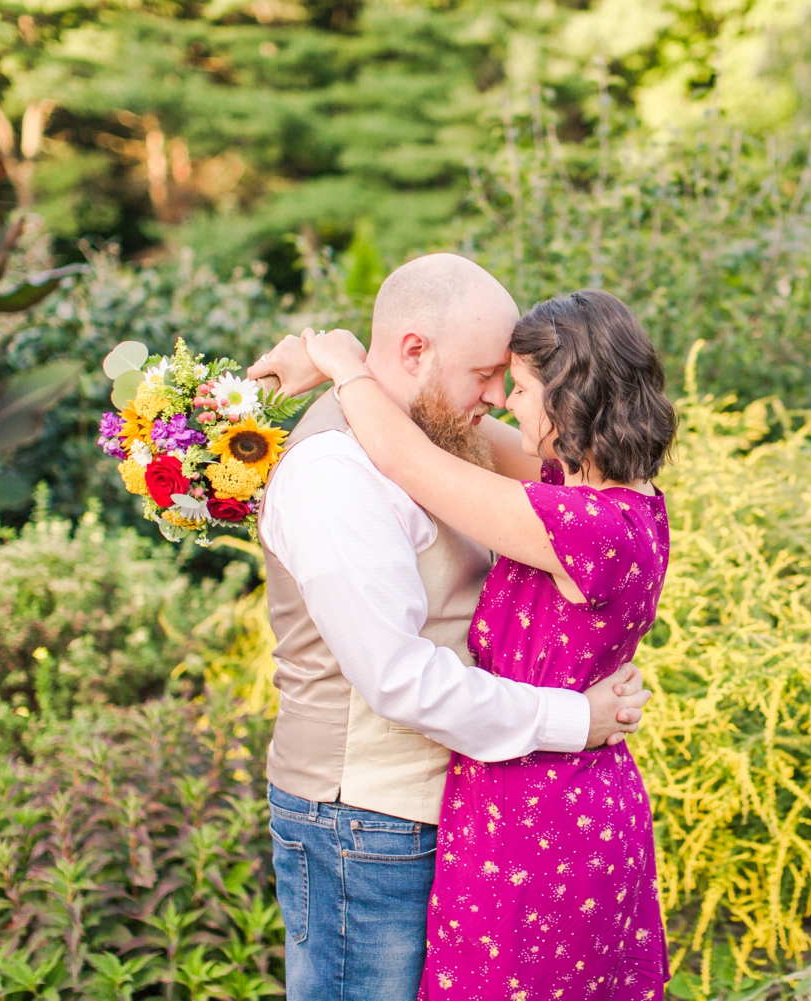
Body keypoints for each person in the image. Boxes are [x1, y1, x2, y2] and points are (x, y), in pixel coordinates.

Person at [247, 254, 653, 1001]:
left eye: (513, 382)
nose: (499, 399)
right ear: (413, 351)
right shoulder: (336, 472)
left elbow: (534, 469)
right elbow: (401, 678)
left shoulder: (440, 435)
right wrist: (576, 716)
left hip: (458, 814)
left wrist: (339, 363)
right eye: (486, 374)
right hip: (367, 826)